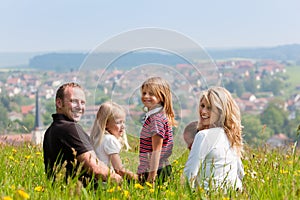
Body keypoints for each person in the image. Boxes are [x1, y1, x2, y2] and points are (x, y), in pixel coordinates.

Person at [43, 82, 122, 187]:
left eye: (83, 102)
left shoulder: (51, 130)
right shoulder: (70, 128)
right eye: (74, 101)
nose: (80, 107)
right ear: (59, 103)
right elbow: (96, 168)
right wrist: (122, 180)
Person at [184, 86, 244, 191]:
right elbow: (240, 173)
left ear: (221, 112)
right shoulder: (231, 136)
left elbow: (189, 174)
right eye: (202, 106)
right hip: (234, 193)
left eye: (209, 108)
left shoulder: (203, 136)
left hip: (209, 194)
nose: (203, 111)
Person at [137, 77, 177, 184]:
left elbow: (156, 150)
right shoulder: (155, 116)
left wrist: (151, 177)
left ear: (162, 96)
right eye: (144, 93)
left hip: (156, 171)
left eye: (151, 94)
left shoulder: (156, 119)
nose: (146, 96)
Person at [90, 101, 138, 180]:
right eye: (119, 122)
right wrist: (139, 179)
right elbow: (119, 170)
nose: (123, 126)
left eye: (123, 122)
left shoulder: (95, 139)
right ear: (106, 124)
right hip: (107, 181)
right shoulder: (110, 139)